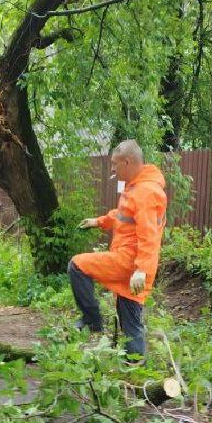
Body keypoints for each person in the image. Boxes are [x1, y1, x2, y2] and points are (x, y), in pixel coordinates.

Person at [69, 140, 167, 358]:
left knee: (77, 265)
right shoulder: (136, 186)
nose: (112, 169)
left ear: (127, 161)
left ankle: (92, 321)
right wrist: (99, 221)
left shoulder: (145, 192)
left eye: (114, 164)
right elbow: (123, 215)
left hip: (130, 264)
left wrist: (140, 270)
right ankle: (135, 370)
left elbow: (149, 236)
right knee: (131, 325)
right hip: (133, 267)